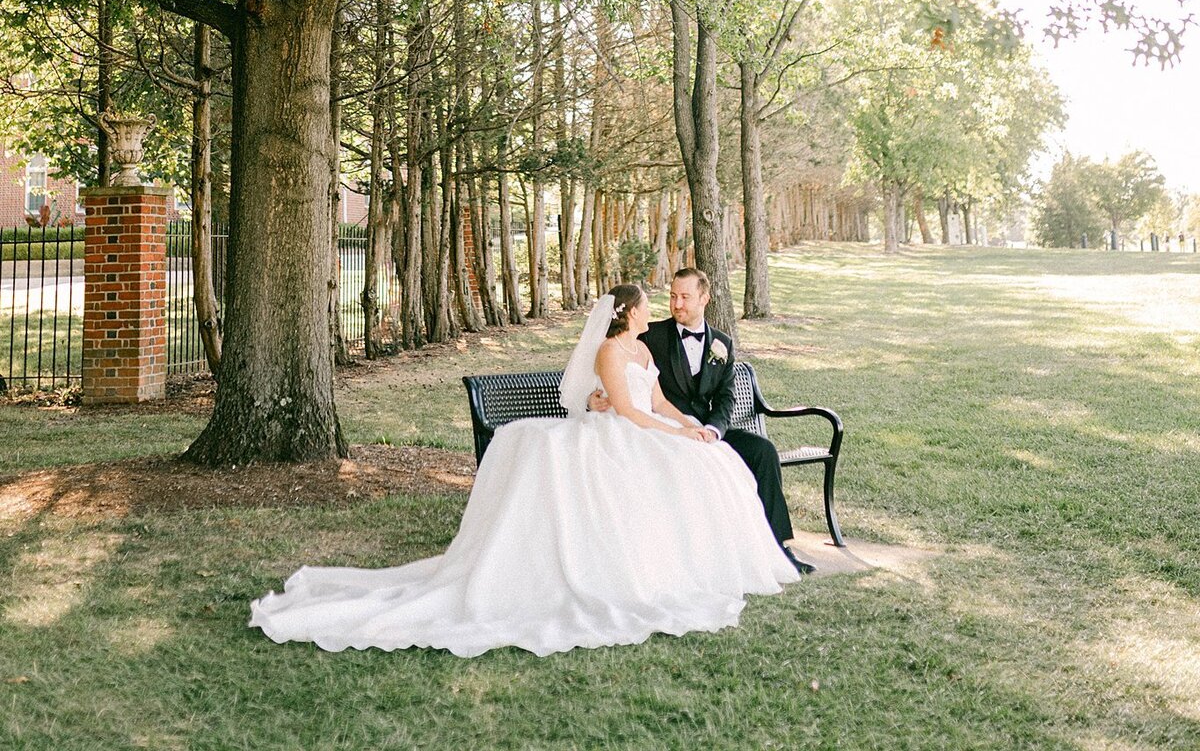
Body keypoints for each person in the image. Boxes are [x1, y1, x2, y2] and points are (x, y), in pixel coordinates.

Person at [249, 282, 799, 657]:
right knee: (661, 464)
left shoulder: (644, 352)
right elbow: (628, 411)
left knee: (709, 458)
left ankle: (708, 560)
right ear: (627, 312)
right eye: (648, 304)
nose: (654, 309)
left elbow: (658, 403)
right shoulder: (610, 350)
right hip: (616, 433)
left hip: (645, 427)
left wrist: (690, 427)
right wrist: (663, 429)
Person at [588, 267, 813, 575]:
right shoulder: (648, 335)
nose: (677, 305)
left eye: (685, 297)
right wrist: (593, 398)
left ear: (704, 298)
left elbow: (725, 398)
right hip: (664, 429)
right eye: (672, 297)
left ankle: (779, 547)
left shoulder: (722, 343)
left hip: (704, 427)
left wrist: (712, 429)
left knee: (763, 451)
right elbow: (612, 369)